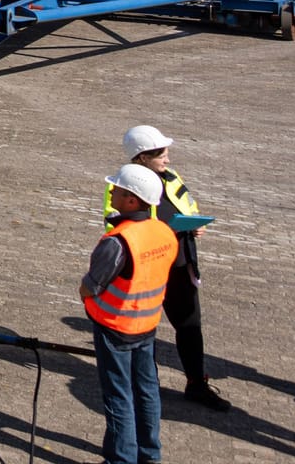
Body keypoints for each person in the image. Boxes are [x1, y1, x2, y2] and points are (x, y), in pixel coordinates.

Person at [109, 125, 230, 411]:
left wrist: (194, 224)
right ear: (141, 157)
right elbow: (115, 226)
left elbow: (188, 205)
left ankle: (196, 384)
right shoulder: (123, 185)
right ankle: (146, 386)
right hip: (148, 268)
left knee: (190, 326)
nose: (168, 158)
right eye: (160, 153)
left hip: (180, 263)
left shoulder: (172, 177)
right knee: (143, 329)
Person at [84, 164, 176, 464]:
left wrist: (84, 295)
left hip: (115, 328)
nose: (111, 192)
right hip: (147, 326)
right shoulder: (164, 232)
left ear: (132, 200)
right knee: (147, 391)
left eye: (118, 190)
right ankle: (150, 455)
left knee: (118, 397)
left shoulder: (118, 241)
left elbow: (91, 286)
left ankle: (121, 460)